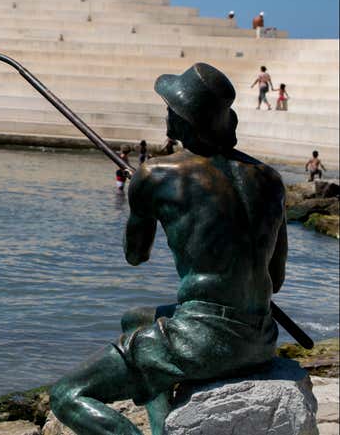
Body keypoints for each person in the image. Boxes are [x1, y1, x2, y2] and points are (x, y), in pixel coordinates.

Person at [52, 63, 287, 435]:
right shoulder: (270, 180)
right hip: (261, 337)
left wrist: (141, 197)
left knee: (67, 395)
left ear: (182, 119)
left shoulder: (156, 174)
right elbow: (277, 277)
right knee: (136, 320)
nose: (166, 117)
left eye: (170, 110)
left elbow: (135, 256)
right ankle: (164, 428)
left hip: (208, 342)